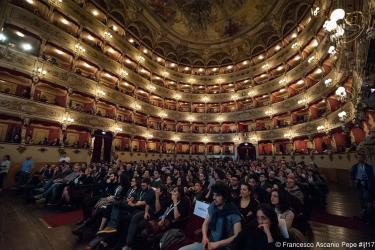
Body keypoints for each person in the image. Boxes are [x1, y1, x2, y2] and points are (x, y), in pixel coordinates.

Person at [179, 182, 242, 250]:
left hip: (225, 247)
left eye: (217, 195)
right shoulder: (213, 205)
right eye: (213, 195)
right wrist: (205, 237)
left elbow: (237, 236)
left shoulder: (233, 212)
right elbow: (205, 223)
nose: (214, 198)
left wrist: (218, 244)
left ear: (225, 197)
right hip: (210, 242)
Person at [350, 150, 375, 217]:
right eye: (359, 157)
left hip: (366, 186)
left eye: (362, 157)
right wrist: (354, 183)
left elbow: (371, 178)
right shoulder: (354, 167)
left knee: (367, 199)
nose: (360, 159)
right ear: (357, 158)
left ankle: (369, 214)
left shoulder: (369, 167)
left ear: (364, 158)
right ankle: (364, 213)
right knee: (361, 199)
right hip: (358, 185)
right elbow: (352, 176)